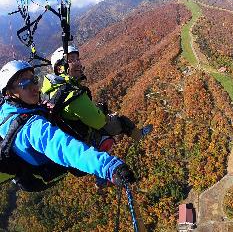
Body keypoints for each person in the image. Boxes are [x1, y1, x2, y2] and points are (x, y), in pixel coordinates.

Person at [0, 60, 135, 192]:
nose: (34, 86)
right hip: (54, 165)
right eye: (24, 83)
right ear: (9, 93)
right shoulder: (33, 128)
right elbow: (63, 147)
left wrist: (41, 108)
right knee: (102, 139)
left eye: (34, 79)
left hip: (32, 165)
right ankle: (103, 177)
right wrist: (108, 166)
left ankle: (100, 179)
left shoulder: (6, 111)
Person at [41, 45, 138, 151]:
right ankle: (138, 134)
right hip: (84, 145)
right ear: (59, 69)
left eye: (77, 59)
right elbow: (99, 121)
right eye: (71, 60)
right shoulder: (73, 95)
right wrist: (104, 113)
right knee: (121, 122)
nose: (78, 63)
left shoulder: (50, 90)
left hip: (69, 143)